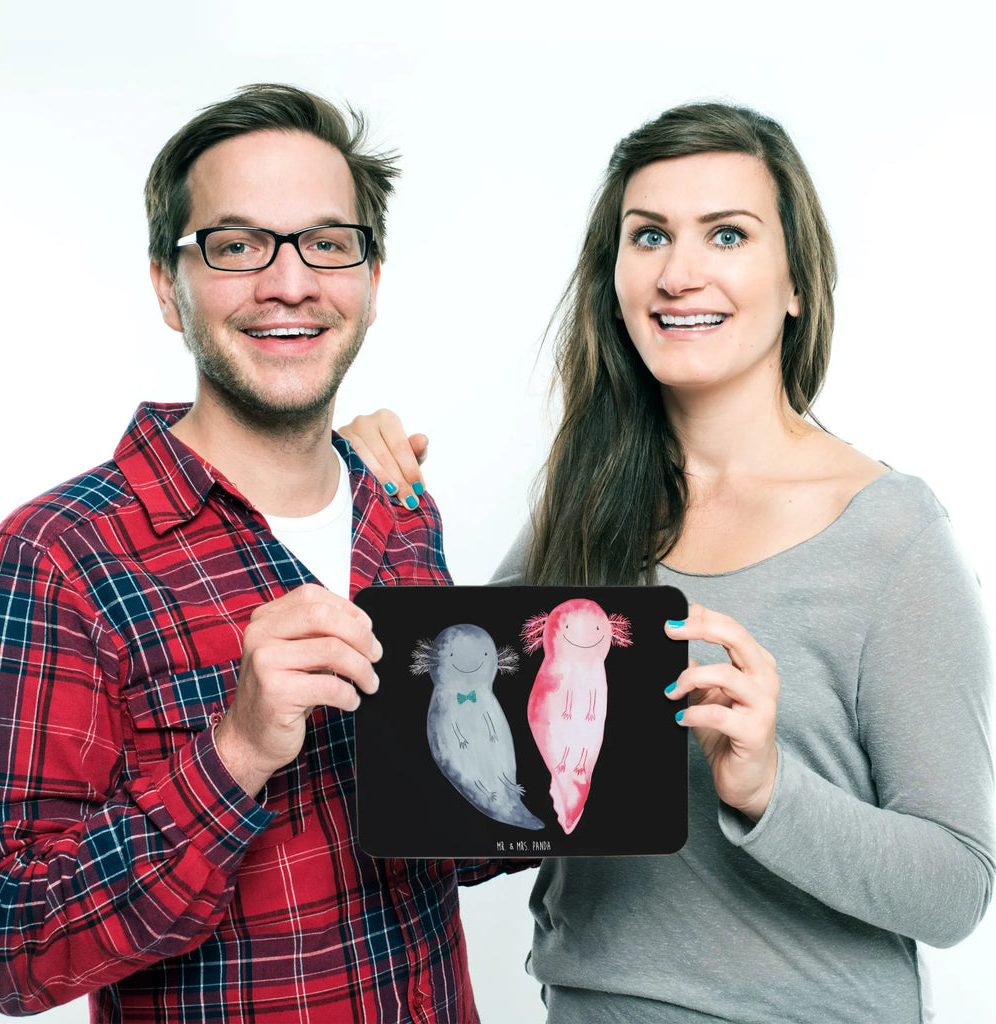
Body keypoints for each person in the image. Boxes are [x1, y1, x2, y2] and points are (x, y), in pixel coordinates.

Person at [340, 102, 995, 1022]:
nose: (680, 273)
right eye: (648, 235)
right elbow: (427, 755)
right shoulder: (585, 506)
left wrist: (771, 789)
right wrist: (359, 491)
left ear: (797, 281)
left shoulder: (893, 538)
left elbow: (956, 888)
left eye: (726, 233)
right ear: (614, 278)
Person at [0, 83, 514, 1023]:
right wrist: (236, 753)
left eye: (327, 243)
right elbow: (8, 948)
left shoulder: (400, 505)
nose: (290, 282)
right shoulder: (58, 559)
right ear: (168, 289)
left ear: (371, 282)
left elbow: (446, 846)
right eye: (237, 246)